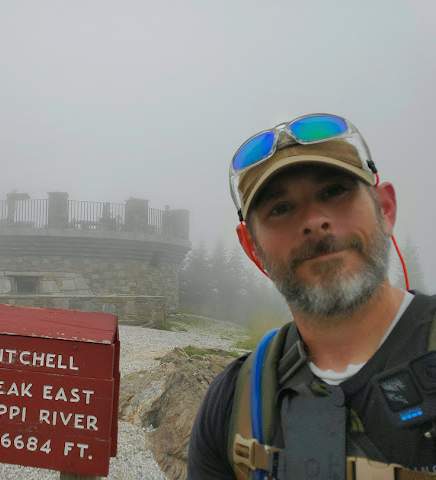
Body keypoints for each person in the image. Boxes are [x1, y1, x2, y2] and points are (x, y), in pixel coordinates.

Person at [187, 114, 436, 479]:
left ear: (385, 208)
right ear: (252, 248)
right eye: (281, 209)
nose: (315, 221)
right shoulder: (231, 403)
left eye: (335, 191)